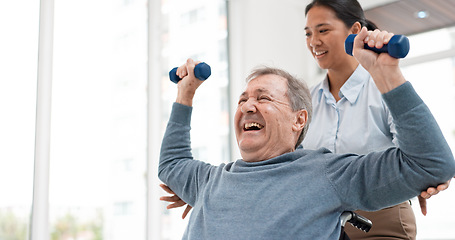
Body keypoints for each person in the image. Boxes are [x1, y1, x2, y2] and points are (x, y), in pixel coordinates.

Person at [158, 28, 455, 239]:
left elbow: (430, 163)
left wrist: (386, 74)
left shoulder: (328, 174)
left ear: (299, 120)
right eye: (242, 100)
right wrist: (185, 94)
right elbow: (171, 164)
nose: (248, 106)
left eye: (263, 98)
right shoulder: (211, 180)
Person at [302, 0, 452, 239]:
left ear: (354, 31)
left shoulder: (383, 89)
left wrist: (426, 176)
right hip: (320, 220)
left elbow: (423, 152)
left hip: (380, 218)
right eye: (308, 33)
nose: (313, 41)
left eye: (323, 30)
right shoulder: (306, 101)